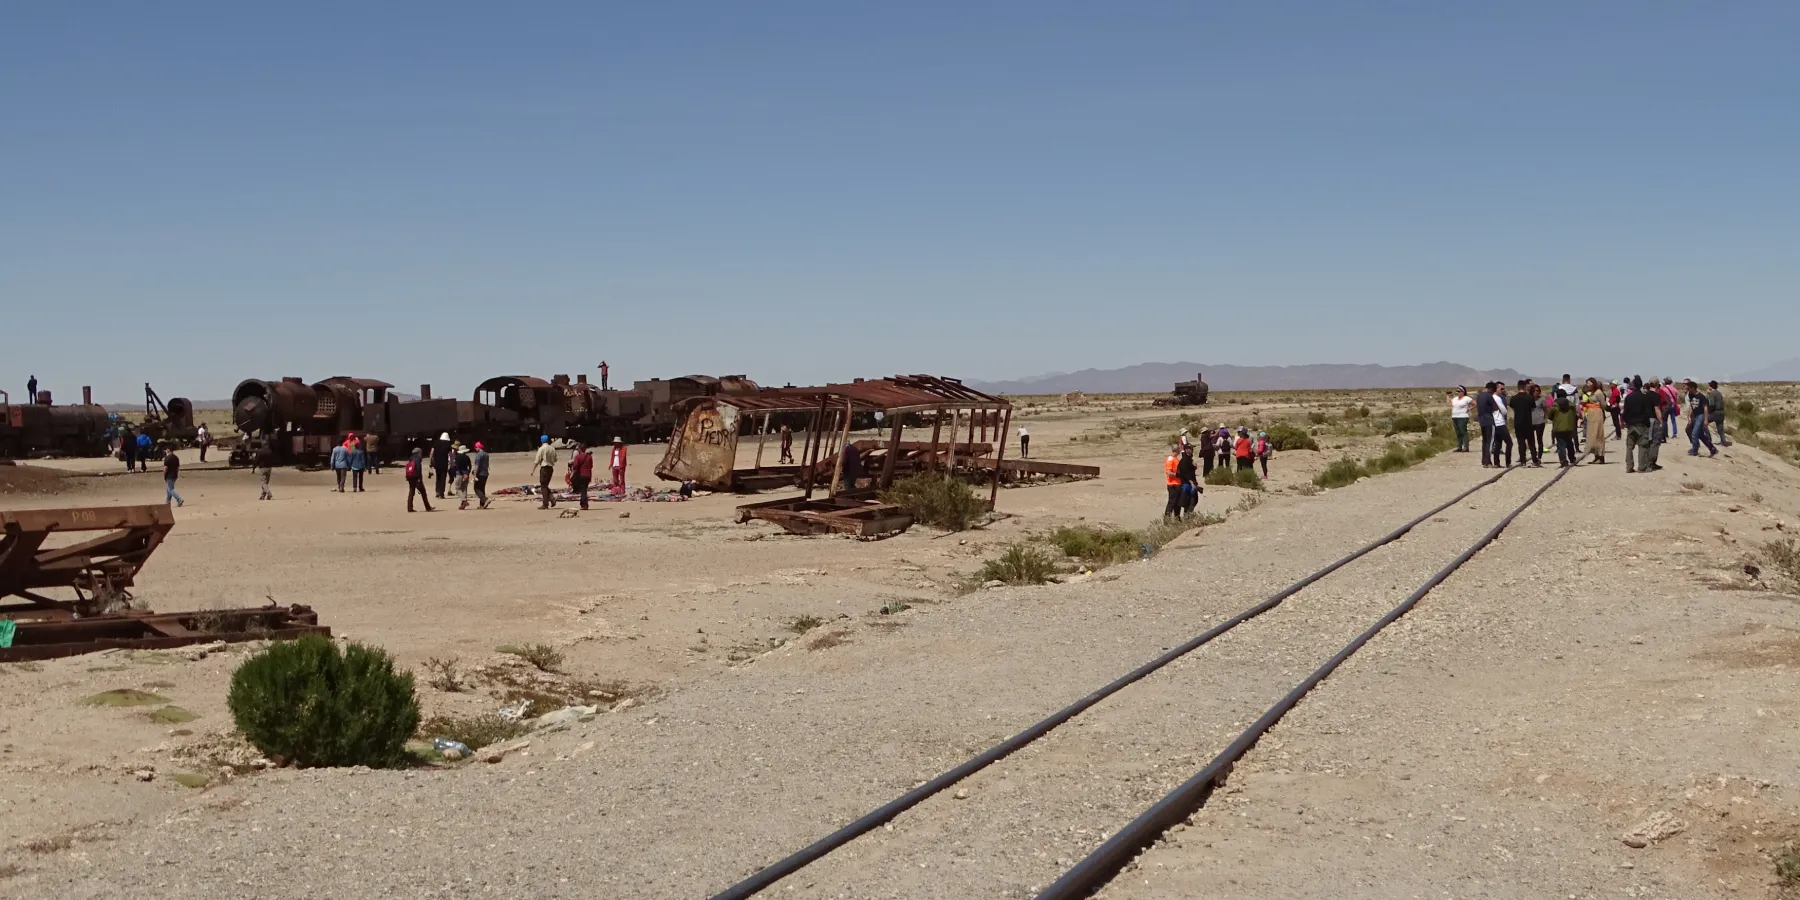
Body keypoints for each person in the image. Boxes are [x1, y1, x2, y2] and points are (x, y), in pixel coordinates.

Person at [1622, 376, 1657, 473]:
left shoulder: (1629, 398)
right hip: (1641, 425)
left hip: (1631, 425)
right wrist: (1647, 424)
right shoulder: (1644, 397)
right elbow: (1646, 413)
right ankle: (1642, 467)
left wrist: (1626, 422)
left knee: (1629, 447)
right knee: (1642, 446)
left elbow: (1625, 412)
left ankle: (1629, 467)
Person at [1509, 379, 1539, 467]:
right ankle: (1535, 460)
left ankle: (1523, 461)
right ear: (1525, 387)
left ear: (1518, 387)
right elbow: (1533, 408)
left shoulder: (1514, 398)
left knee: (1521, 443)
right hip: (1528, 422)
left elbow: (1513, 408)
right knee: (1531, 443)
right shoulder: (1530, 398)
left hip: (1518, 422)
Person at [1685, 380, 1717, 457]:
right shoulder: (1690, 395)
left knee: (1695, 433)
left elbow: (1705, 408)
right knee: (1696, 433)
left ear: (1693, 388)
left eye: (1689, 388)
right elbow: (1692, 406)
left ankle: (1694, 450)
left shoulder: (1702, 397)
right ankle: (1712, 448)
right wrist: (1689, 416)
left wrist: (1706, 420)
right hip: (1695, 416)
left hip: (1701, 415)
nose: (1687, 390)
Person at [1549, 391, 1580, 467]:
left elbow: (1550, 416)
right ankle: (1572, 458)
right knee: (1569, 443)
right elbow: (1574, 415)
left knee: (1561, 445)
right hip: (1569, 427)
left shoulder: (1555, 406)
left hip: (1559, 427)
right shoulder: (1571, 405)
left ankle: (1563, 461)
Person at [1581, 378, 1608, 464]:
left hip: (1597, 414)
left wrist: (1592, 406)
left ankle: (1601, 456)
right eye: (1587, 384)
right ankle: (1596, 456)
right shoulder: (1592, 393)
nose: (1588, 385)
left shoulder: (1599, 393)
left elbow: (1603, 405)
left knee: (1598, 435)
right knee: (1592, 435)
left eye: (1589, 383)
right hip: (1591, 415)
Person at [1488, 382, 1513, 468]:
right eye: (1501, 389)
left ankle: (1496, 462)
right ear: (1496, 388)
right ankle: (1508, 462)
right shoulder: (1497, 398)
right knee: (1509, 443)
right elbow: (1504, 410)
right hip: (1500, 422)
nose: (1503, 390)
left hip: (1493, 423)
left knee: (1498, 443)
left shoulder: (1490, 397)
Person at [532, 435, 559, 508]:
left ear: (542, 441)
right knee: (545, 485)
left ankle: (545, 504)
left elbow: (537, 460)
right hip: (551, 468)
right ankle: (551, 499)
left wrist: (533, 470)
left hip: (544, 468)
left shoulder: (541, 449)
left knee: (543, 486)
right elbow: (555, 459)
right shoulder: (552, 448)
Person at [1475, 383, 1498, 466]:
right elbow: (1496, 407)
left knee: (1484, 441)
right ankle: (1488, 461)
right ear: (1491, 389)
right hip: (1489, 420)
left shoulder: (1479, 395)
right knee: (1490, 441)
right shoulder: (1489, 396)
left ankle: (1484, 460)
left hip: (1481, 420)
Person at [405, 447, 433, 512]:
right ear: (418, 453)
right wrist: (419, 479)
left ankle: (409, 507)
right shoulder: (418, 459)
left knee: (411, 492)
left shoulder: (410, 458)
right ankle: (428, 507)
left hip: (410, 477)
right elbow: (418, 469)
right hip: (416, 477)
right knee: (423, 492)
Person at [568, 442, 594, 510]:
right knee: (584, 489)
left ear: (579, 449)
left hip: (581, 475)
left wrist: (573, 472)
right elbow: (591, 466)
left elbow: (575, 466)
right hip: (588, 475)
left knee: (583, 490)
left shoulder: (578, 457)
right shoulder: (589, 457)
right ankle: (584, 503)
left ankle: (584, 504)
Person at [1448, 387, 1474, 452]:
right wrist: (1448, 397)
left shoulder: (1466, 398)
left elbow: (1475, 403)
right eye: (1457, 391)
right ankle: (1459, 446)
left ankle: (1466, 447)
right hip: (1455, 417)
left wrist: (1469, 409)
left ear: (1463, 392)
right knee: (1458, 432)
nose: (1458, 393)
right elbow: (1449, 404)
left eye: (1459, 391)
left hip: (1463, 417)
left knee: (1463, 431)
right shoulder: (1455, 399)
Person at [1177, 446, 1200, 517]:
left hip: (1189, 484)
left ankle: (1188, 517)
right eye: (1191, 449)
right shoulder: (1184, 460)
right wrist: (1192, 482)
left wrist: (1194, 467)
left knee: (1191, 502)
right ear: (1187, 450)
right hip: (1187, 485)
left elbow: (1189, 470)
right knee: (1190, 502)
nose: (1192, 450)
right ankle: (1187, 517)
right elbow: (1184, 473)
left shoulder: (1189, 460)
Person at [1707, 381, 1731, 446]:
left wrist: (1708, 412)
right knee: (1720, 428)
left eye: (1709, 385)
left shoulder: (1712, 393)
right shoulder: (1719, 393)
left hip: (1715, 413)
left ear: (1711, 386)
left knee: (1704, 423)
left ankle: (1708, 439)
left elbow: (1712, 404)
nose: (1708, 387)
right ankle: (1724, 442)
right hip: (1721, 412)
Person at [1163, 445, 1183, 519]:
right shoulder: (1170, 459)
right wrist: (1179, 475)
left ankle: (1177, 518)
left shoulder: (1176, 459)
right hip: (1173, 484)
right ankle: (1167, 519)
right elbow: (1169, 473)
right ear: (1177, 450)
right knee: (1172, 502)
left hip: (1178, 483)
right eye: (1179, 449)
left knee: (1178, 503)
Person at [452, 442, 474, 510]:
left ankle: (464, 500)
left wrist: (462, 474)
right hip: (466, 472)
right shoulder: (467, 457)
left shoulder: (457, 457)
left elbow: (457, 466)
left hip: (459, 474)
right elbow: (470, 466)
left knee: (458, 488)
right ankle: (463, 504)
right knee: (464, 489)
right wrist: (467, 473)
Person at [431, 432, 453, 499]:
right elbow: (450, 455)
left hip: (437, 463)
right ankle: (441, 493)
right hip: (444, 463)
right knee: (443, 478)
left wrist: (431, 463)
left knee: (438, 477)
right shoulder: (448, 444)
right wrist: (451, 463)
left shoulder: (436, 443)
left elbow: (431, 453)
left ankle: (437, 491)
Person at [471, 441, 491, 509]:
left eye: (476, 447)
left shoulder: (479, 455)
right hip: (485, 473)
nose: (475, 449)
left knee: (476, 488)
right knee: (482, 489)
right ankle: (482, 505)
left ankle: (485, 499)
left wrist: (474, 475)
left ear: (478, 447)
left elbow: (477, 466)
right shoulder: (486, 454)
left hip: (480, 473)